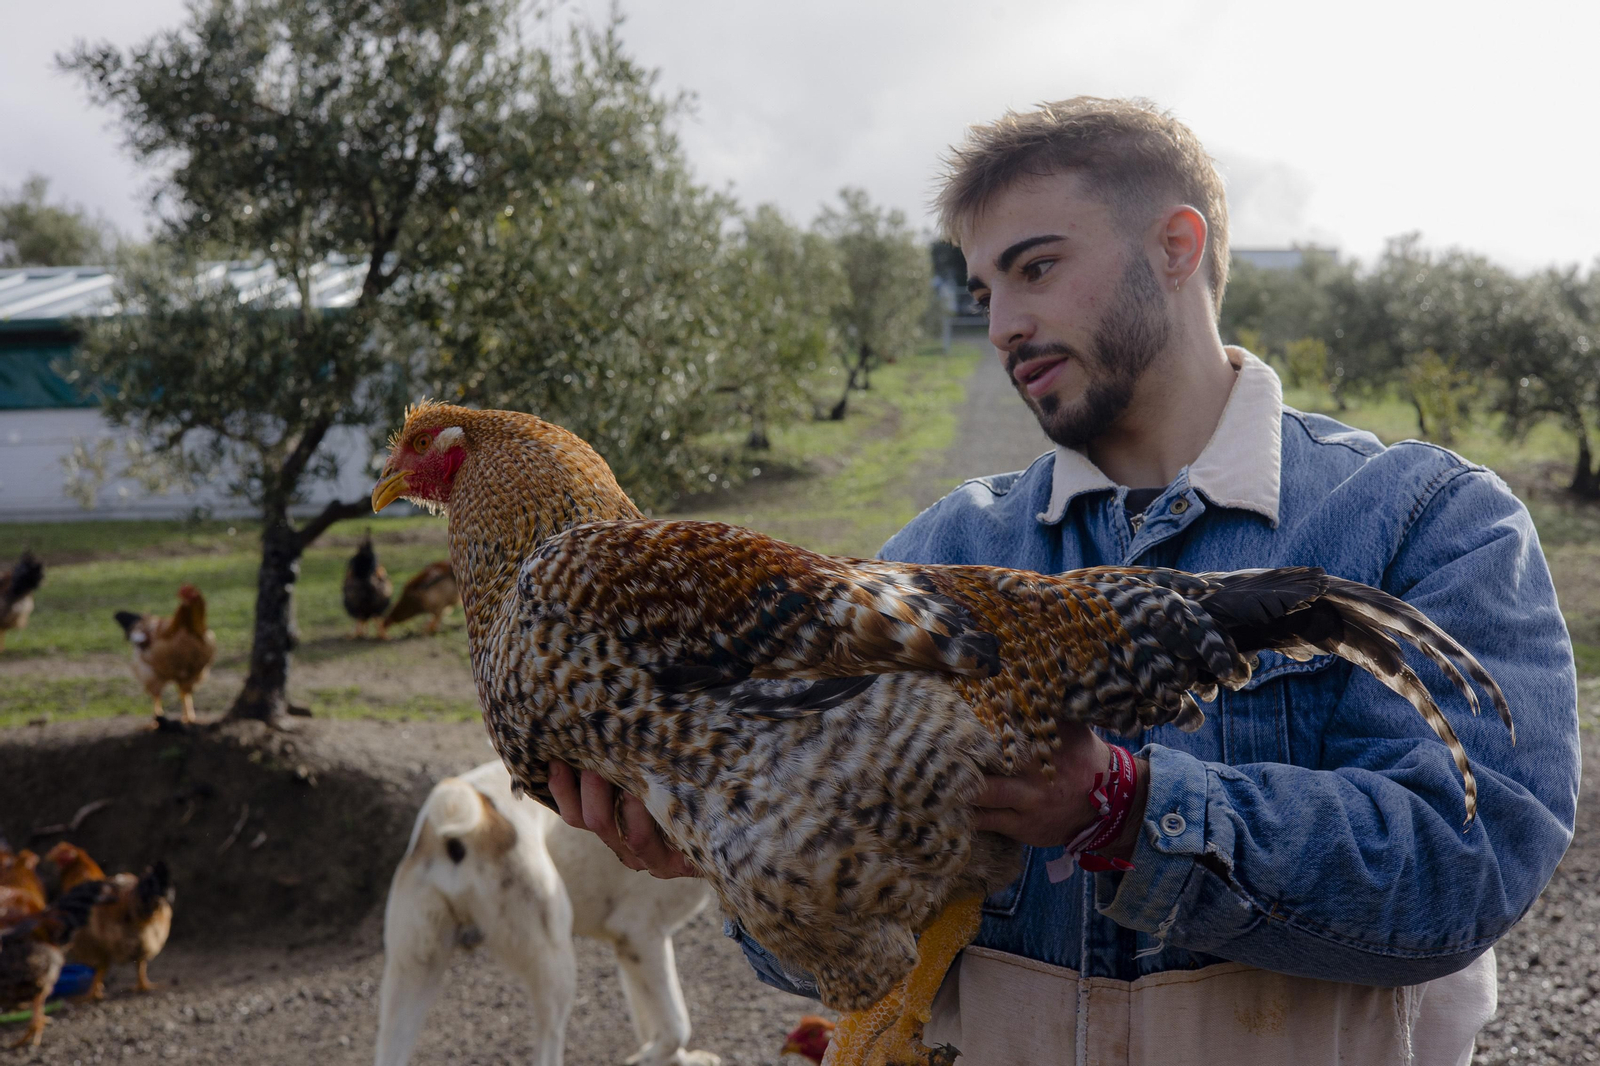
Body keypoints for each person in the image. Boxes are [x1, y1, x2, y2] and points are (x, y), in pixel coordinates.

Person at [547, 97, 1579, 1065]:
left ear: (1175, 248)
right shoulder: (935, 552)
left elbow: (1469, 863)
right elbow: (820, 961)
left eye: (1034, 269)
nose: (1000, 323)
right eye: (984, 290)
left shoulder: (1421, 520)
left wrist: (1125, 807)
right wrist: (732, 851)